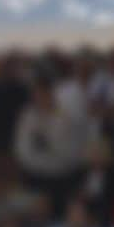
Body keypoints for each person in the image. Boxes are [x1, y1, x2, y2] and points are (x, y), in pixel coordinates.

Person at [13, 75, 82, 214]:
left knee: (57, 216)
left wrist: (49, 143)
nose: (39, 99)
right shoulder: (27, 116)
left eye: (43, 94)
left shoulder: (64, 118)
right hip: (34, 177)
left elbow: (71, 152)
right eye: (36, 95)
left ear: (50, 93)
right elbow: (21, 148)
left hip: (59, 178)